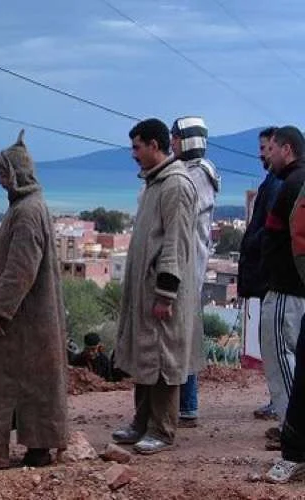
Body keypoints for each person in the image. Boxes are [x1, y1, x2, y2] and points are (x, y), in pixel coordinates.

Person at [0, 130, 68, 470]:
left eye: (3, 173)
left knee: (1, 380)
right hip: (34, 320)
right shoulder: (31, 207)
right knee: (35, 385)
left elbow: (21, 268)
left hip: (19, 321)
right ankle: (39, 448)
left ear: (17, 174)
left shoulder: (26, 212)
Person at [112, 118, 199, 455]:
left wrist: (166, 292)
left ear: (154, 145)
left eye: (137, 147)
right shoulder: (155, 183)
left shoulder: (176, 185)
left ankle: (161, 429)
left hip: (163, 293)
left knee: (163, 358)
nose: (133, 154)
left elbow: (175, 242)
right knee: (145, 357)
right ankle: (141, 421)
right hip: (145, 291)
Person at [169, 116, 221, 428]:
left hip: (190, 268)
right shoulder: (193, 172)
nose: (172, 142)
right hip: (190, 267)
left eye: (176, 137)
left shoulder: (197, 174)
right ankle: (184, 403)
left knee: (183, 339)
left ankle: (187, 404)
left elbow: (181, 216)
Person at [259, 126, 305, 452]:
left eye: (271, 149)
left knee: (280, 359)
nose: (267, 155)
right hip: (293, 290)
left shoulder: (292, 184)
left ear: (286, 149)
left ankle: (293, 434)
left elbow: (290, 240)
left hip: (287, 290)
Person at [238, 127, 282, 421]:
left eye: (266, 148)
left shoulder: (279, 184)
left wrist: (254, 244)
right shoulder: (273, 182)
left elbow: (271, 229)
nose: (261, 154)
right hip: (267, 276)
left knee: (277, 345)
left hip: (272, 278)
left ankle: (281, 406)